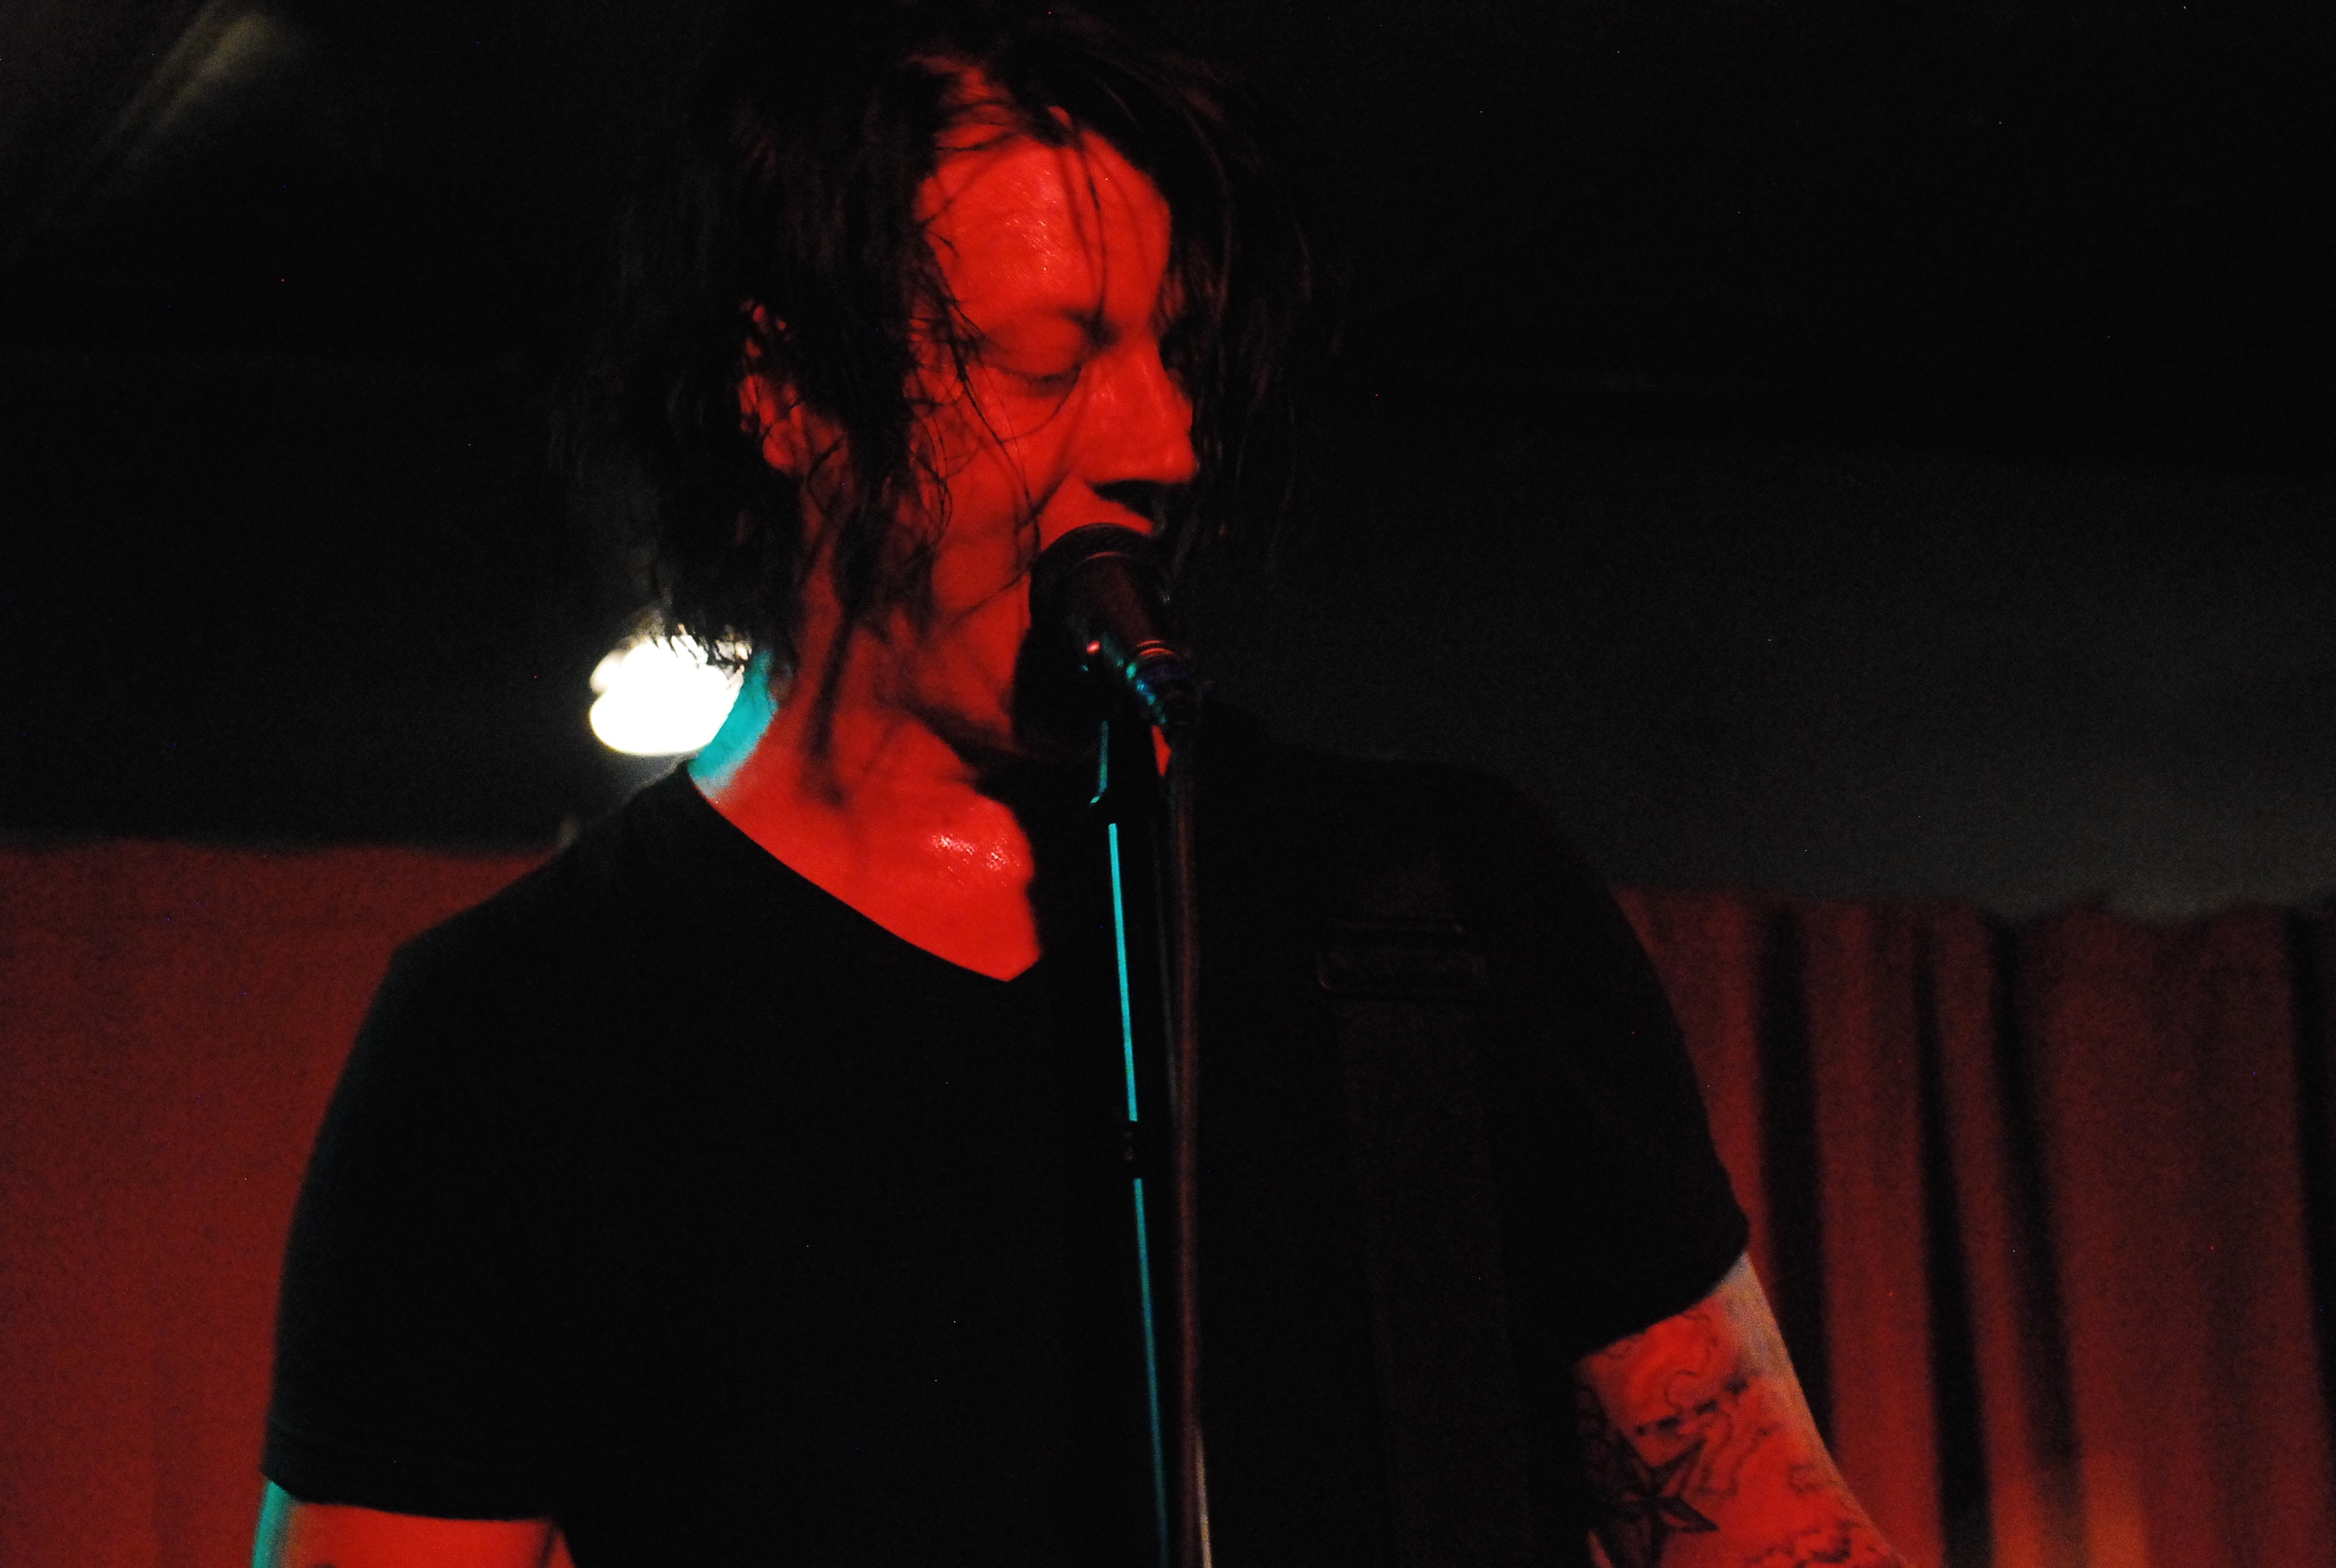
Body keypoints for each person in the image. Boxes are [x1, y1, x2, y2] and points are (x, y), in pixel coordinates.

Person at [255, 4, 1911, 1566]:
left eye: (1170, 356)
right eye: (1048, 361)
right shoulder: (516, 1040)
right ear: (788, 393)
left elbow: (1769, 1529)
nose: (1164, 443)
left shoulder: (1436, 912)